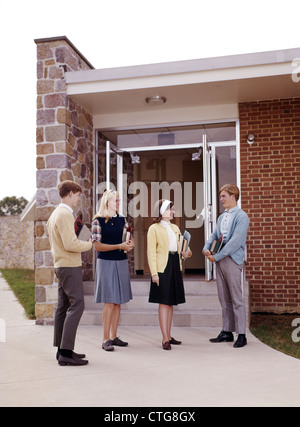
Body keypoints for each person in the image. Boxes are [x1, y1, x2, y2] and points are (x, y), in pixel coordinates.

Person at [46, 180, 92, 366]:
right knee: (77, 305)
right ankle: (65, 352)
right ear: (71, 193)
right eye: (78, 195)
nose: (79, 198)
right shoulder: (64, 214)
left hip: (61, 265)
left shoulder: (54, 214)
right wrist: (90, 244)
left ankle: (62, 350)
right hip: (69, 266)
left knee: (63, 307)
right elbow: (70, 244)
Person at [203, 184, 249, 348]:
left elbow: (235, 242)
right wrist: (206, 248)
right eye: (221, 196)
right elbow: (215, 235)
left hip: (232, 260)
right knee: (224, 298)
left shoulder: (242, 216)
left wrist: (217, 256)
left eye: (223, 196)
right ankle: (227, 331)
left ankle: (241, 334)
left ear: (233, 196)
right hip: (220, 260)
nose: (221, 199)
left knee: (237, 299)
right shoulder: (221, 217)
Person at [92, 190, 134, 351]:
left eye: (118, 200)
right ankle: (105, 339)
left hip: (121, 262)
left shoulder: (122, 219)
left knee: (118, 302)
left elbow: (129, 239)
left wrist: (131, 244)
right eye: (115, 200)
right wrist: (119, 246)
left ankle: (114, 336)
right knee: (109, 301)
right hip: (106, 263)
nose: (118, 202)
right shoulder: (98, 221)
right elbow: (96, 246)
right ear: (107, 202)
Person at [147, 199, 192, 350]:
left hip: (175, 265)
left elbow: (184, 249)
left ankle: (169, 335)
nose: (173, 212)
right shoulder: (154, 229)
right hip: (162, 268)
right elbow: (151, 253)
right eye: (170, 209)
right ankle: (164, 338)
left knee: (171, 302)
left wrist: (187, 253)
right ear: (161, 211)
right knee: (164, 302)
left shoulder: (175, 228)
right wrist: (154, 274)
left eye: (173, 209)